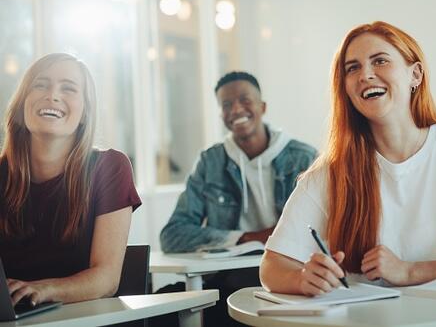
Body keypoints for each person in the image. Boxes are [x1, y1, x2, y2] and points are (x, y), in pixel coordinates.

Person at [260, 21, 436, 295]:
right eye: (352, 68)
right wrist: (302, 279)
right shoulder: (330, 173)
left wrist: (411, 271)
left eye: (380, 61)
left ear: (416, 75)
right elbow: (271, 267)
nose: (365, 75)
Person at [157, 71, 316, 326]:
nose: (236, 109)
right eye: (227, 105)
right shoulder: (210, 161)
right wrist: (246, 238)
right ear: (221, 115)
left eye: (245, 100)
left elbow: (325, 230)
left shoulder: (304, 158)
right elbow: (172, 234)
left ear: (262, 107)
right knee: (161, 306)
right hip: (226, 277)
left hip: (288, 278)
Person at [0, 53, 140, 307]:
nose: (52, 95)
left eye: (68, 88)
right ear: (23, 104)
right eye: (40, 85)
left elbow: (106, 280)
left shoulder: (110, 167)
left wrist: (41, 290)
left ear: (85, 112)